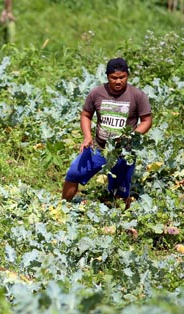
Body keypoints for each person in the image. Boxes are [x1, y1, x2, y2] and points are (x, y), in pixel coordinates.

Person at [61, 58, 152, 209]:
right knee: (74, 174)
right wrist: (87, 136)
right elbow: (86, 114)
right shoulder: (97, 93)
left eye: (122, 77)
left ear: (127, 76)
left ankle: (120, 222)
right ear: (107, 76)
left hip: (123, 152)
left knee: (120, 192)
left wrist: (131, 136)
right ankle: (61, 207)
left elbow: (147, 120)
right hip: (99, 148)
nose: (118, 81)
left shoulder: (137, 95)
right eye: (114, 78)